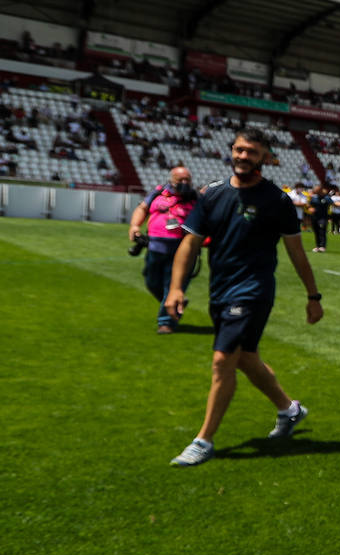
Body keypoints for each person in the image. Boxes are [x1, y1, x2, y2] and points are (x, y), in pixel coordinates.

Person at [164, 127, 323, 467]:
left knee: (223, 361)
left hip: (253, 291)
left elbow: (296, 252)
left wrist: (313, 295)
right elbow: (189, 244)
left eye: (251, 152)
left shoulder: (277, 200)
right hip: (220, 290)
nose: (242, 156)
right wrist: (176, 288)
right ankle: (289, 409)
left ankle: (203, 441)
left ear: (266, 157)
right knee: (246, 358)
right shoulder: (212, 195)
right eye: (238, 149)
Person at [128, 164, 199, 333]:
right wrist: (134, 226)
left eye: (187, 179)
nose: (184, 182)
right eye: (180, 179)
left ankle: (166, 322)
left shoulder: (196, 198)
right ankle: (174, 302)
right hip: (155, 247)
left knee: (172, 285)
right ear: (171, 180)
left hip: (182, 250)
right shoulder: (158, 193)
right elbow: (142, 208)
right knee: (151, 281)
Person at [305, 184, 331, 252]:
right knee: (316, 231)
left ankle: (322, 246)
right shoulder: (314, 198)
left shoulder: (326, 198)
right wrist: (310, 208)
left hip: (323, 217)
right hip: (314, 217)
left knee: (322, 231)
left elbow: (332, 203)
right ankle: (317, 246)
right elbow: (308, 204)